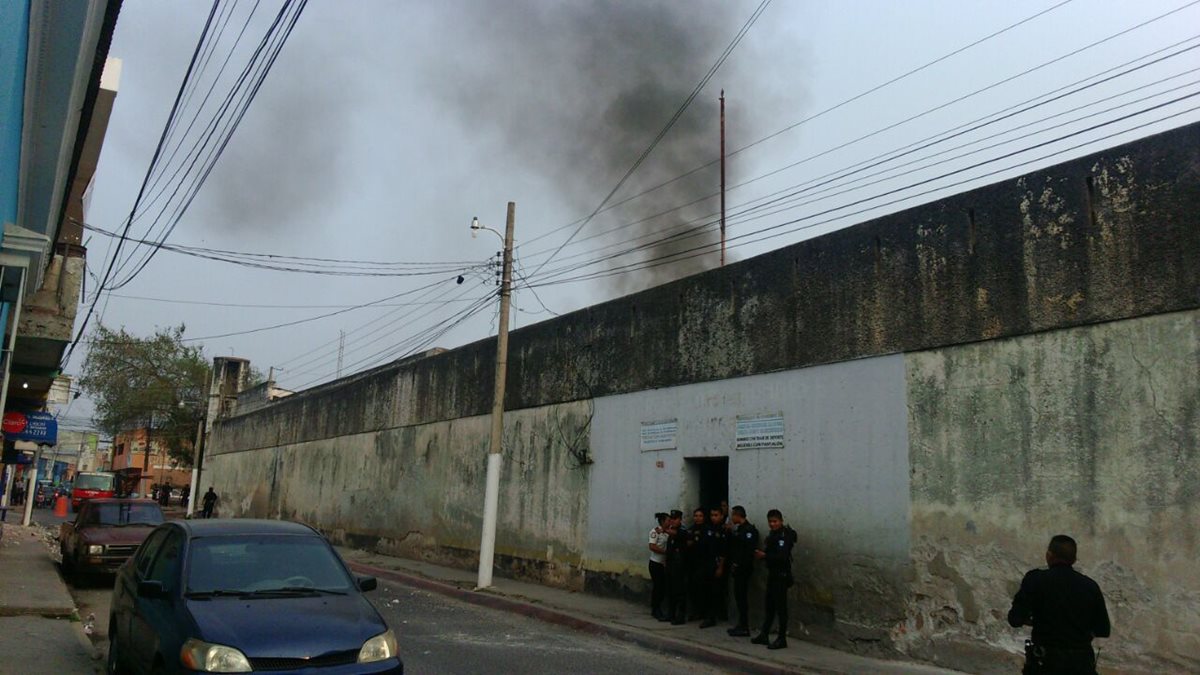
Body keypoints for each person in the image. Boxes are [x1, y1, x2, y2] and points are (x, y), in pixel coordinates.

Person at [1008, 535, 1111, 675]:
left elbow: (1015, 619)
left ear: (1048, 556)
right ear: (1074, 560)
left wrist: (1036, 620)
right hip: (1081, 664)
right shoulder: (1090, 586)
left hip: (1045, 663)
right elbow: (1103, 629)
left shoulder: (1035, 580)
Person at [752, 508, 796, 649]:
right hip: (773, 574)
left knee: (781, 608)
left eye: (775, 521)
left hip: (781, 575)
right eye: (770, 522)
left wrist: (765, 556)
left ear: (781, 521)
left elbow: (782, 557)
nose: (772, 524)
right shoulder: (774, 535)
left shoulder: (784, 535)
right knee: (769, 605)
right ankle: (764, 634)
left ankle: (782, 638)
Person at [726, 505, 760, 637]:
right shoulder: (739, 530)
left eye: (732, 515)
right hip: (738, 568)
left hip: (744, 568)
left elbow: (747, 550)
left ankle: (744, 626)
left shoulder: (749, 530)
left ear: (737, 515)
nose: (731, 518)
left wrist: (737, 564)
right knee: (739, 597)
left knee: (742, 597)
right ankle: (741, 624)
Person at [696, 507, 727, 628]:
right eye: (712, 515)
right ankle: (707, 614)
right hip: (707, 564)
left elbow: (724, 551)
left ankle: (713, 616)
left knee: (715, 591)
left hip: (717, 564)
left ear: (721, 516)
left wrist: (720, 567)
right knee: (706, 590)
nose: (713, 517)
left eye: (716, 515)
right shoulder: (707, 529)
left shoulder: (723, 530)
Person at [664, 510, 689, 625]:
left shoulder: (682, 531)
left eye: (675, 519)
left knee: (679, 591)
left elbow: (677, 535)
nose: (673, 521)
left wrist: (664, 530)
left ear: (680, 519)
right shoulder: (671, 532)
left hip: (680, 567)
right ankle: (671, 614)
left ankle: (680, 615)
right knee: (670, 590)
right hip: (670, 565)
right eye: (671, 519)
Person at [686, 508, 708, 621]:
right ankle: (694, 611)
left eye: (700, 516)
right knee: (692, 589)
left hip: (703, 563)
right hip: (692, 563)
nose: (697, 518)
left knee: (702, 589)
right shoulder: (690, 530)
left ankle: (703, 612)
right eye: (696, 515)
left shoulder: (707, 530)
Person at [648, 512, 670, 621]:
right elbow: (652, 546)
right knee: (658, 586)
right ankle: (655, 608)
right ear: (662, 521)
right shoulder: (655, 532)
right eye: (667, 520)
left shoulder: (667, 532)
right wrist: (666, 552)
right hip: (655, 563)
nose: (669, 522)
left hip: (664, 564)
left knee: (663, 587)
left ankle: (658, 607)